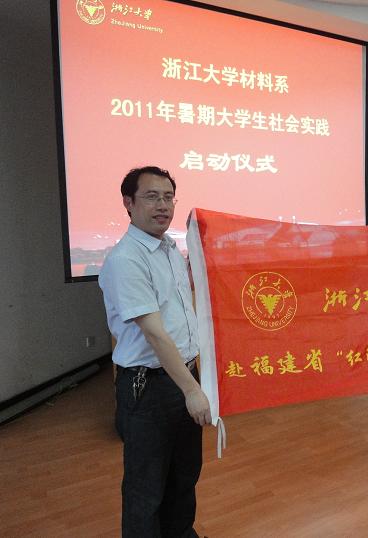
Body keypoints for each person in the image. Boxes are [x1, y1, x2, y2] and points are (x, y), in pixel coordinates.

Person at [99, 166, 211, 537]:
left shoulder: (169, 249)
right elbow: (155, 333)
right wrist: (192, 390)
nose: (162, 205)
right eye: (151, 197)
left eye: (168, 197)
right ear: (128, 203)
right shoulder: (126, 259)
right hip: (148, 387)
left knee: (184, 473)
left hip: (183, 375)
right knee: (145, 488)